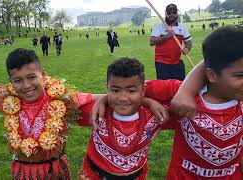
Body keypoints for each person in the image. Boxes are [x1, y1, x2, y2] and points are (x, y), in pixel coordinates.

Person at [0, 48, 101, 179]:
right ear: (10, 82)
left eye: (32, 77)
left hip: (54, 171)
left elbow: (93, 98)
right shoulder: (8, 98)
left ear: (43, 74)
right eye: (18, 80)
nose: (26, 86)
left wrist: (107, 97)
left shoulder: (61, 99)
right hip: (21, 172)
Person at [146, 26, 243, 179]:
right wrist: (148, 101)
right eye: (240, 76)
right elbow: (130, 90)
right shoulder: (179, 93)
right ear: (211, 75)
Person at [77, 58, 168, 179]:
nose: (123, 98)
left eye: (131, 91)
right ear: (107, 88)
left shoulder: (156, 114)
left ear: (143, 90)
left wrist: (148, 102)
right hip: (94, 175)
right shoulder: (97, 111)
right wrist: (103, 99)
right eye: (115, 90)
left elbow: (182, 95)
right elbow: (62, 98)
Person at [150, 4, 192, 80]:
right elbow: (152, 42)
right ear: (165, 14)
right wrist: (167, 36)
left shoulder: (182, 28)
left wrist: (186, 49)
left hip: (177, 62)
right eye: (169, 13)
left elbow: (188, 42)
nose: (171, 14)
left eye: (174, 12)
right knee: (165, 87)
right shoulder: (159, 27)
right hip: (162, 63)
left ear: (177, 13)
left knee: (179, 86)